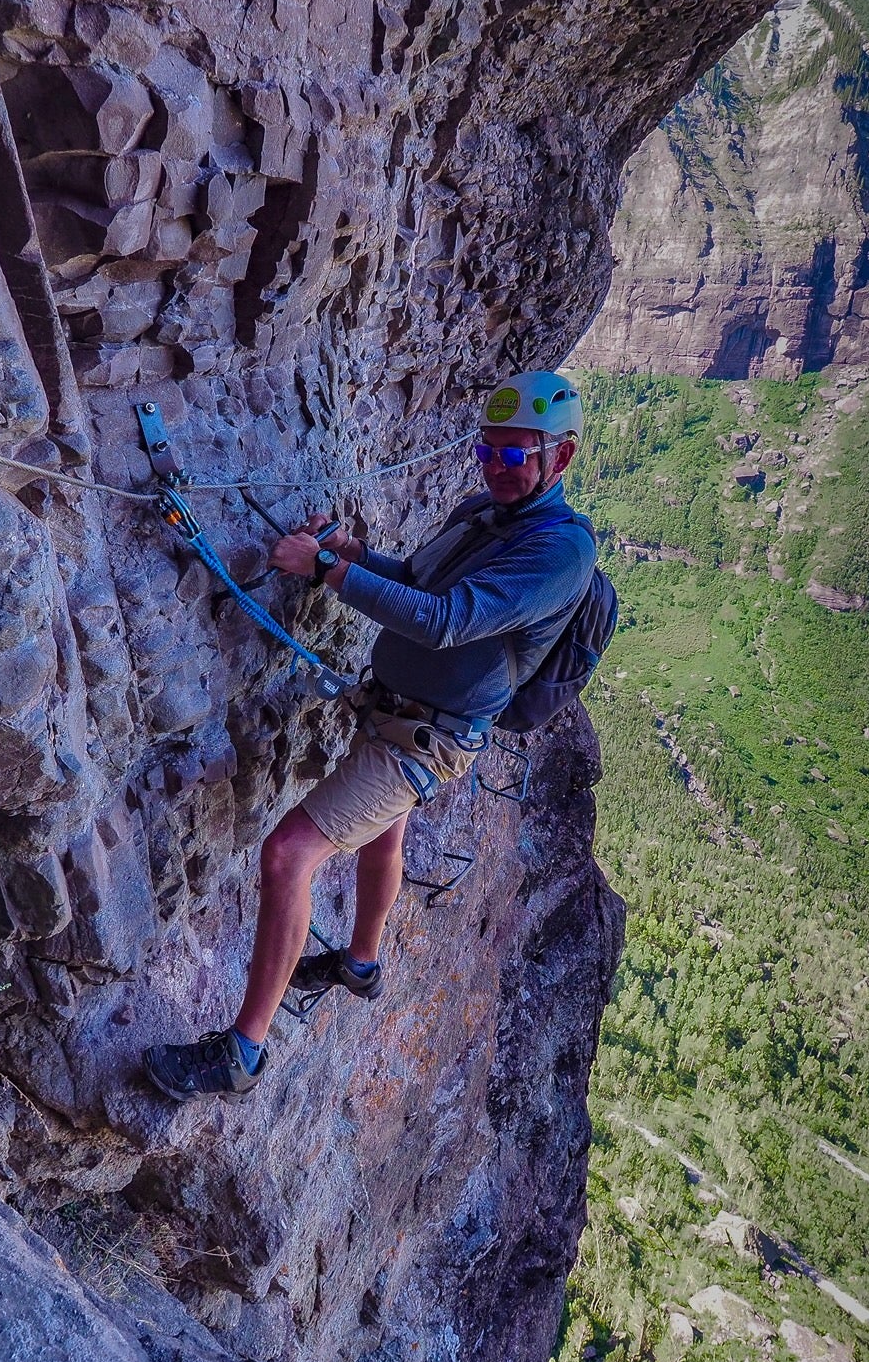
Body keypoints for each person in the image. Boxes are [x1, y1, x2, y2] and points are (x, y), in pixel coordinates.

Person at [143, 371, 598, 1100]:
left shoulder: (560, 553)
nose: (495, 469)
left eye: (514, 458)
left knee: (290, 855)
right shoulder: (485, 512)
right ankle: (360, 965)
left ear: (561, 458)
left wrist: (325, 569)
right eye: (487, 451)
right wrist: (350, 552)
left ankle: (242, 1055)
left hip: (425, 738)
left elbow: (447, 621)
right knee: (384, 834)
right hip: (398, 709)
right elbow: (418, 581)